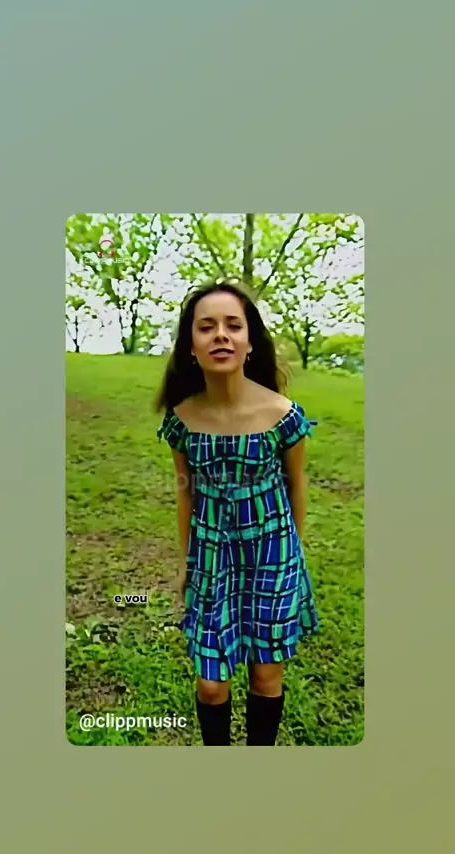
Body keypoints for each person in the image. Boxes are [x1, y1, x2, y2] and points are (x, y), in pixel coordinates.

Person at [154, 279, 319, 746]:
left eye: (233, 325)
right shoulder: (182, 419)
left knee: (266, 677)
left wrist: (293, 559)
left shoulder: (284, 416)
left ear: (249, 343)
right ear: (191, 347)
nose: (221, 335)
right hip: (212, 559)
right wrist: (187, 562)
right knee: (211, 685)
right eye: (206, 327)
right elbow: (186, 493)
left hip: (273, 557)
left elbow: (296, 486)